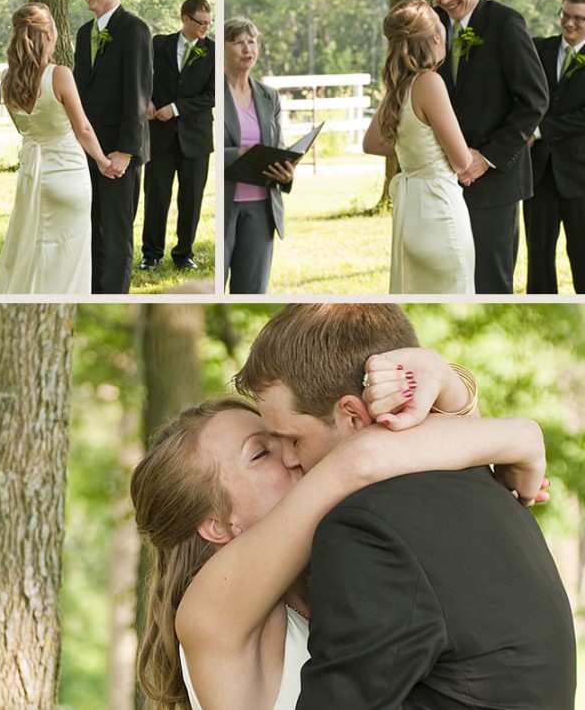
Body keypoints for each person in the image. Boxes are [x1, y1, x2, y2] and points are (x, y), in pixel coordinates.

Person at [132, 359, 552, 710]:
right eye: (262, 452)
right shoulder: (210, 614)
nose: (293, 455)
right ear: (217, 526)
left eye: (287, 437)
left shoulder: (353, 561)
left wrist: (449, 386)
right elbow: (359, 458)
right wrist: (521, 437)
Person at [235, 303, 576, 708]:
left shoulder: (366, 529)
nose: (289, 459)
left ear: (354, 418)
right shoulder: (482, 482)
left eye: (292, 439)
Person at [426, 0, 548, 293]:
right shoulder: (434, 29)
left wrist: (487, 158)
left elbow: (534, 100)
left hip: (495, 181)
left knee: (490, 283)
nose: (445, 0)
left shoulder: (506, 23)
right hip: (446, 181)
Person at [0, 3, 112, 294]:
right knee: (70, 252)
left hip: (33, 176)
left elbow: (23, 129)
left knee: (33, 248)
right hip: (68, 174)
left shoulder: (8, 82)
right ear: (47, 35)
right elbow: (82, 128)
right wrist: (102, 161)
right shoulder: (59, 74)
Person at [363, 0, 475, 293]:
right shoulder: (429, 82)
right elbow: (462, 161)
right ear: (437, 37)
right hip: (439, 208)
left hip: (411, 212)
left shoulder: (398, 87)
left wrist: (415, 151)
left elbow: (371, 143)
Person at [73, 0, 153, 294]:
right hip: (87, 151)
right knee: (89, 228)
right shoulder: (82, 34)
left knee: (117, 233)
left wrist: (123, 152)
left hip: (120, 152)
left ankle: (114, 295)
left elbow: (138, 94)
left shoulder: (134, 30)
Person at [140, 0, 215, 273]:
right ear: (185, 18)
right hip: (159, 135)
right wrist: (145, 100)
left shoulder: (213, 53)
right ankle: (151, 254)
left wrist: (175, 108)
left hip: (195, 139)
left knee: (191, 198)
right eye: (200, 22)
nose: (205, 28)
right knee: (156, 195)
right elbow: (142, 76)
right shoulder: (159, 44)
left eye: (209, 23)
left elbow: (212, 95)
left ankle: (184, 253)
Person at [224, 18, 296, 293]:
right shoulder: (214, 93)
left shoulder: (269, 97)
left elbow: (278, 145)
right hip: (225, 207)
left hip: (262, 209)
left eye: (251, 41)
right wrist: (238, 154)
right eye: (238, 42)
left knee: (252, 291)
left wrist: (287, 171)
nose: (247, 48)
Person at [524, 0, 585, 294]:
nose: (569, 23)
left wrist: (538, 130)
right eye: (565, 15)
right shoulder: (537, 49)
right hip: (539, 174)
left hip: (580, 175)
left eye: (578, 18)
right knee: (539, 260)